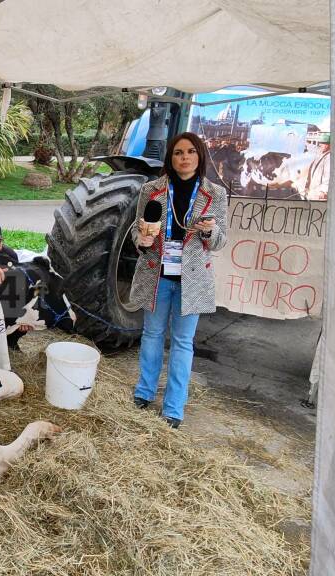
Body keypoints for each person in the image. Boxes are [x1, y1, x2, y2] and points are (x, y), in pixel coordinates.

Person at [129, 132, 227, 429]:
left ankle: (173, 409)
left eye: (190, 152)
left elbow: (220, 241)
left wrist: (209, 231)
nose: (184, 158)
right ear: (170, 158)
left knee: (183, 343)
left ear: (199, 157)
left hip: (191, 279)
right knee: (152, 336)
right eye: (177, 153)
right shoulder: (152, 189)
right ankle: (143, 394)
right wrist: (143, 240)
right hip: (156, 275)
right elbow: (138, 229)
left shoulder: (215, 194)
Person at [300, 132, 330, 200]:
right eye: (320, 143)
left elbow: (328, 175)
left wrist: (324, 191)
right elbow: (312, 147)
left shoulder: (329, 158)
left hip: (320, 195)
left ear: (329, 145)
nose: (321, 145)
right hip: (314, 192)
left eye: (323, 143)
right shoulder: (320, 154)